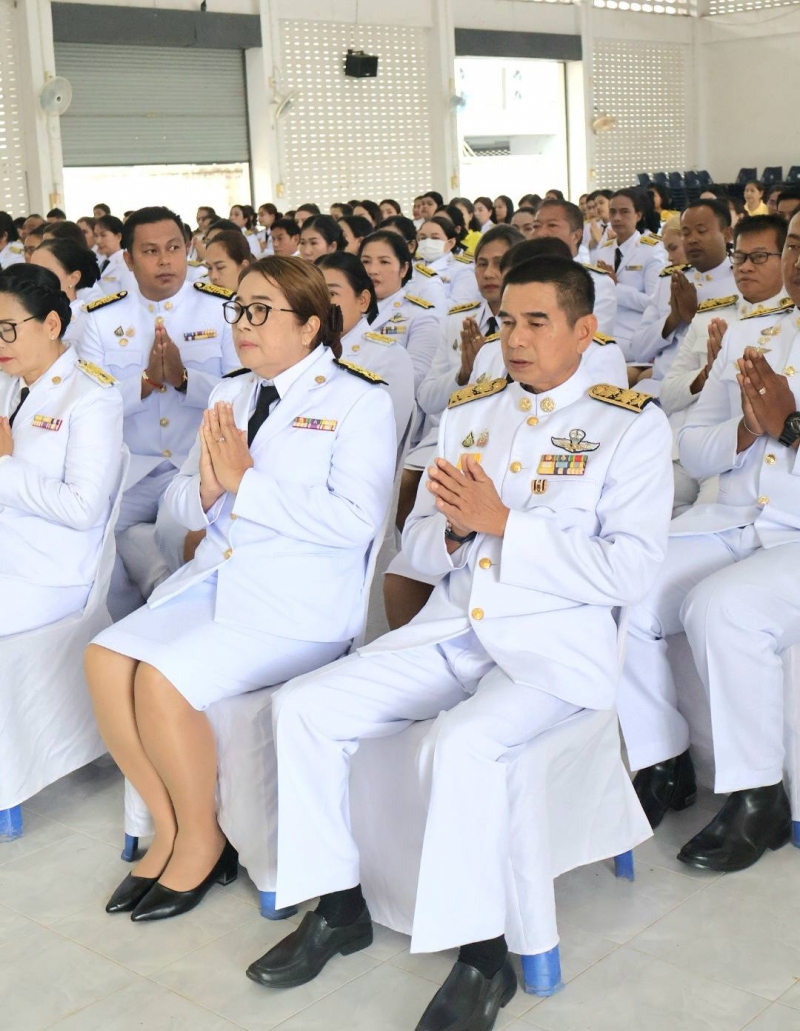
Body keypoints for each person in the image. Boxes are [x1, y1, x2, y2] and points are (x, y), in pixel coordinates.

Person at [248, 258, 672, 1031]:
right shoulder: (473, 413)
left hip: (551, 649)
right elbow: (415, 542)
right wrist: (451, 532)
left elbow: (631, 570)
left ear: (585, 330)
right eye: (507, 321)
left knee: (465, 743)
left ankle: (483, 957)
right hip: (455, 627)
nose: (515, 338)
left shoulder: (629, 425)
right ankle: (339, 906)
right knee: (302, 706)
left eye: (537, 322)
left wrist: (505, 523)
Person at [84, 256, 395, 922]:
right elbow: (179, 504)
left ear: (309, 326)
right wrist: (205, 489)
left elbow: (356, 520)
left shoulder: (358, 400)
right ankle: (170, 825)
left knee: (160, 681)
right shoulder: (231, 393)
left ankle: (204, 840)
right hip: (218, 579)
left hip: (297, 602)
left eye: (260, 311)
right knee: (104, 659)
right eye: (239, 310)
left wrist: (245, 484)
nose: (243, 325)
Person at [615, 208, 800, 873]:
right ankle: (664, 759)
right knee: (623, 588)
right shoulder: (753, 332)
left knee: (722, 607)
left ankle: (758, 793)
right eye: (795, 245)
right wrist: (745, 431)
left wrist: (790, 427)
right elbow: (693, 447)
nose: (798, 261)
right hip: (733, 519)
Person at [75, 206, 238, 611]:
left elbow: (242, 395)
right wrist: (145, 383)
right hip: (131, 471)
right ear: (128, 259)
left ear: (189, 248)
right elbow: (91, 404)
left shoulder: (222, 309)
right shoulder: (101, 318)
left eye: (174, 248)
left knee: (192, 543)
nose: (165, 260)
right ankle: (129, 619)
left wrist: (185, 380)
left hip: (197, 468)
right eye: (150, 251)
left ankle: (172, 607)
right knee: (92, 543)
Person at [383, 224, 524, 628]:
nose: (489, 272)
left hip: (506, 447)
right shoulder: (457, 322)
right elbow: (429, 397)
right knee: (413, 488)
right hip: (456, 434)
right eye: (481, 263)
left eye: (500, 263)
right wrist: (463, 372)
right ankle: (430, 556)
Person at [0, 263, 123, 634]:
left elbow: (82, 508)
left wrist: (4, 464)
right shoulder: (8, 382)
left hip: (47, 573)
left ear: (51, 325)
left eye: (7, 329)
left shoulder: (91, 397)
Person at [628, 200, 736, 386]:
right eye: (686, 233)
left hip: (707, 389)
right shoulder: (669, 280)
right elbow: (638, 350)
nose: (692, 239)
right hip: (657, 384)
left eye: (701, 231)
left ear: (726, 234)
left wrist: (694, 317)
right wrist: (673, 319)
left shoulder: (741, 280)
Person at [316, 251, 415, 448]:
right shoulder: (303, 351)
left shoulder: (389, 357)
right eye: (314, 295)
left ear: (362, 300)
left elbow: (382, 440)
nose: (320, 304)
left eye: (331, 294)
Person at [359, 230, 443, 391]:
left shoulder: (421, 315)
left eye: (384, 262)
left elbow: (417, 377)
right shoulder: (350, 309)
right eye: (365, 261)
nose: (372, 270)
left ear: (403, 269)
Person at [596, 189, 667, 360]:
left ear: (639, 215)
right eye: (613, 212)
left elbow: (653, 302)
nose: (617, 218)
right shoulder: (604, 249)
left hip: (634, 336)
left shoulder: (651, 251)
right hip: (603, 331)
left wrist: (615, 287)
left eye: (624, 212)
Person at [531, 199, 618, 337]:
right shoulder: (522, 278)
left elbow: (593, 340)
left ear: (576, 236)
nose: (541, 233)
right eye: (536, 226)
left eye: (552, 225)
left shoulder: (598, 283)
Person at [30, 237, 101, 344]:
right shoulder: (28, 314)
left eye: (46, 272)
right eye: (32, 271)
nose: (35, 279)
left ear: (73, 278)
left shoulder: (89, 322)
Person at [416, 216, 477, 301]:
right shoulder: (413, 265)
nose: (427, 242)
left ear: (450, 243)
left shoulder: (463, 269)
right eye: (423, 238)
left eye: (435, 238)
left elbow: (460, 303)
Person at [93, 215, 132, 294]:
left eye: (103, 235)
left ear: (118, 237)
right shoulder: (100, 262)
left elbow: (130, 296)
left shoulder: (126, 263)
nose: (98, 241)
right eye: (96, 236)